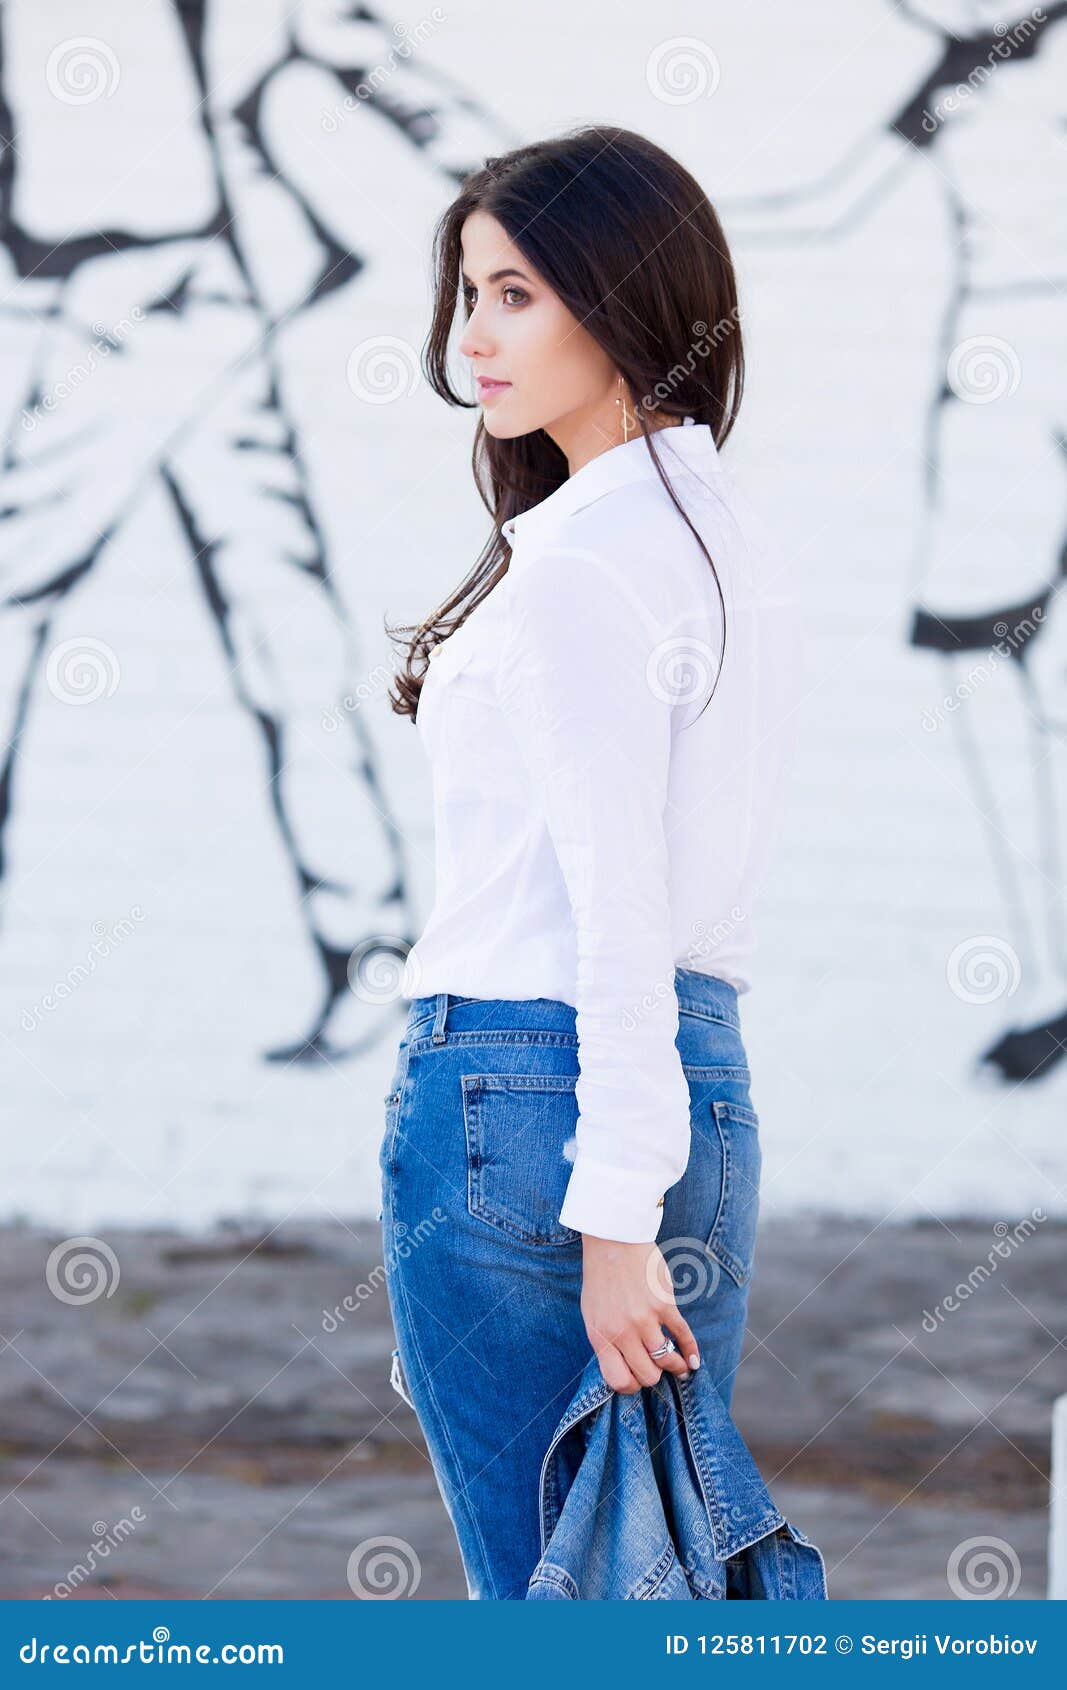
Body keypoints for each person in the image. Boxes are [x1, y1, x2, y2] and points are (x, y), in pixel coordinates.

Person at [378, 124, 806, 1600]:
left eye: (516, 293)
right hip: (690, 1086)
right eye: (468, 292)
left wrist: (612, 1213)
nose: (471, 337)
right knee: (659, 1587)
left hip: (531, 1097)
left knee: (552, 1607)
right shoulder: (719, 530)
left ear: (622, 298)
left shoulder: (581, 564)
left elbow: (617, 902)